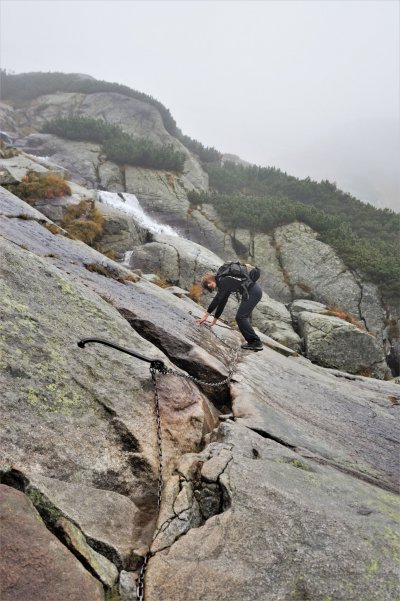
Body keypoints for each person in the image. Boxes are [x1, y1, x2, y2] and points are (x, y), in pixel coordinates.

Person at [196, 265, 263, 351]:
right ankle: (254, 342)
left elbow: (217, 299)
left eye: (208, 283)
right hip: (252, 292)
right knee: (241, 317)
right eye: (207, 286)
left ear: (211, 278)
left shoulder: (224, 280)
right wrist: (214, 321)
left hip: (253, 292)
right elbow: (222, 302)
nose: (209, 285)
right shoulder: (223, 283)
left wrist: (205, 316)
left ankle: (255, 342)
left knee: (241, 317)